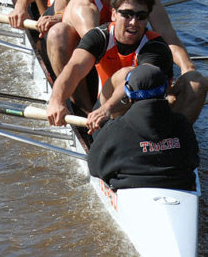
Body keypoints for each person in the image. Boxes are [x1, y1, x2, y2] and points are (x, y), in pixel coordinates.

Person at [40, 0, 203, 117]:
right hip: (98, 71)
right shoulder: (85, 5)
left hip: (133, 66)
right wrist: (56, 100)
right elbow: (92, 57)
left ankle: (177, 136)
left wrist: (187, 69)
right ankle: (85, 110)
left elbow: (166, 32)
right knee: (59, 33)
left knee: (195, 82)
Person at [46, 0, 205, 132]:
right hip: (106, 115)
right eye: (127, 14)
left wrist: (108, 107)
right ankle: (86, 114)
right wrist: (56, 100)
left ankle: (173, 140)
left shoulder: (156, 47)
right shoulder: (99, 37)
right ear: (114, 14)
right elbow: (74, 69)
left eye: (141, 16)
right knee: (126, 74)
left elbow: (139, 79)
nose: (134, 22)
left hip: (141, 112)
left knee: (196, 83)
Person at [85, 64, 199, 192]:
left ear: (128, 93)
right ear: (165, 89)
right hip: (180, 187)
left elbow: (94, 167)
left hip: (130, 188)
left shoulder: (116, 128)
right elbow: (193, 160)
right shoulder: (182, 123)